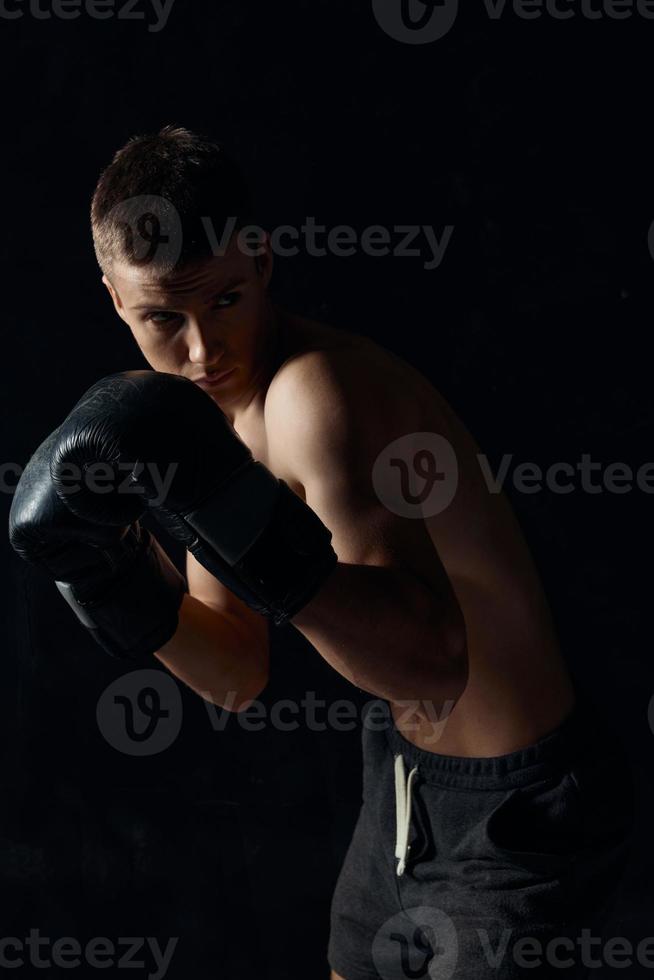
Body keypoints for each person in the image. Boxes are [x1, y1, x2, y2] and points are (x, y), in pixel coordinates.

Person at [10, 126, 634, 979]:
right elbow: (237, 673)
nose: (201, 352)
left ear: (263, 264)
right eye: (163, 317)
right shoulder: (206, 420)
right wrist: (103, 576)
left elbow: (431, 668)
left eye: (225, 300)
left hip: (518, 815)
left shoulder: (315, 394)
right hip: (406, 786)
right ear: (115, 299)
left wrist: (233, 527)